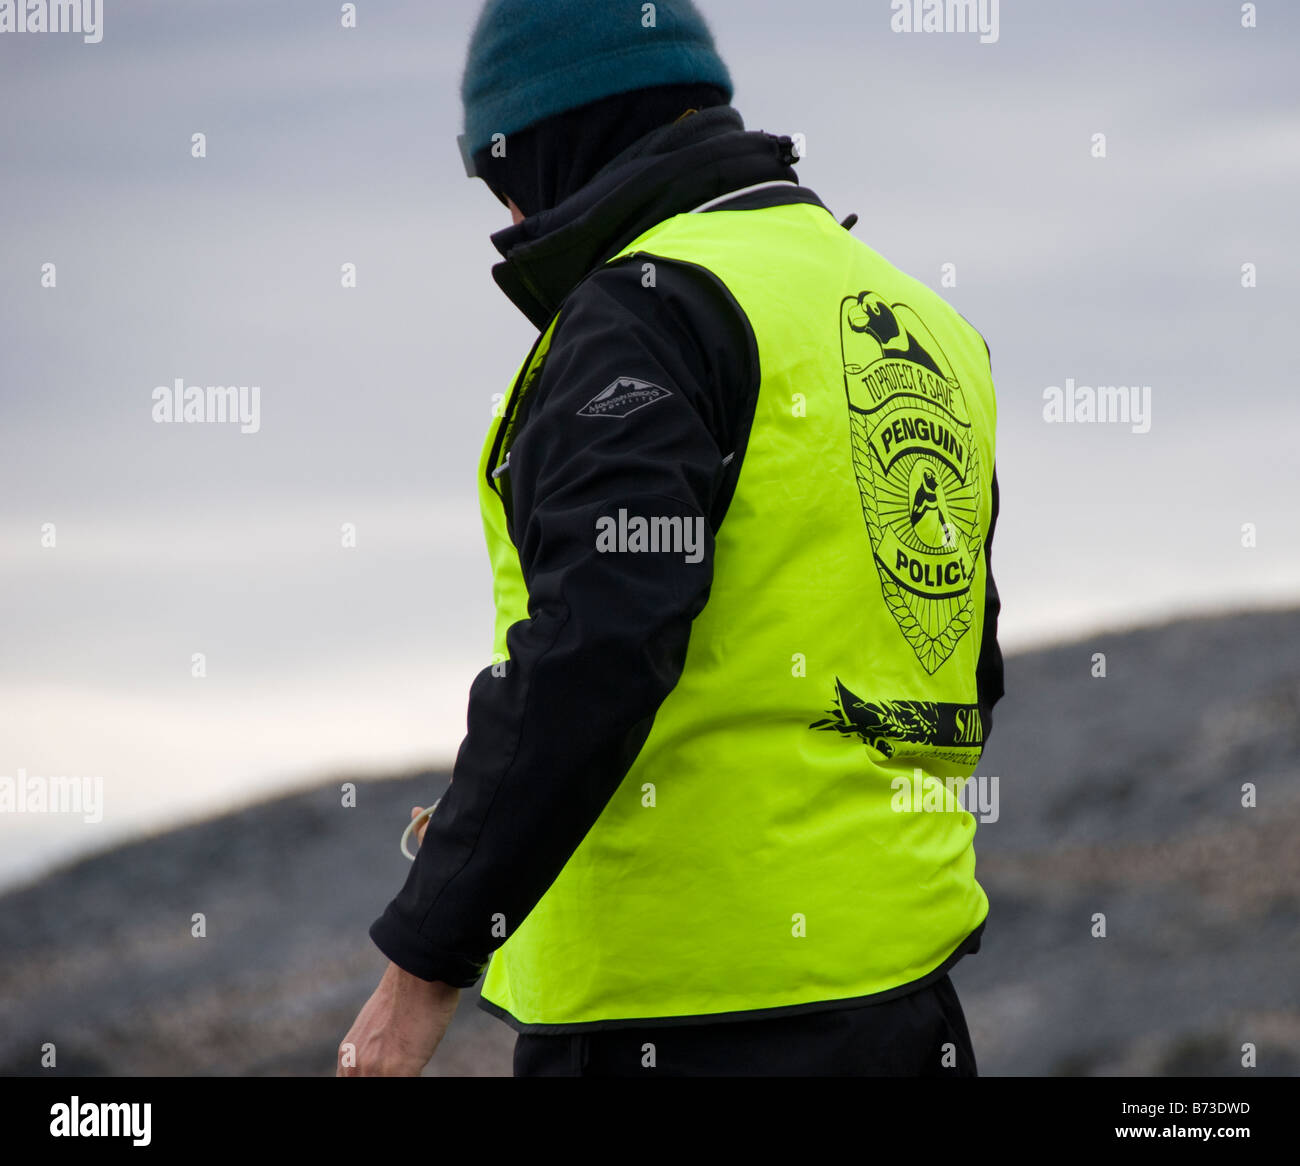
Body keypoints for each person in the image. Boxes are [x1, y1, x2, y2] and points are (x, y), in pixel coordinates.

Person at [339, 0, 1004, 1078]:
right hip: (905, 1001)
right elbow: (959, 652)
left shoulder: (643, 312)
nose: (505, 213)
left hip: (683, 1011)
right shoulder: (919, 321)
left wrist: (419, 972)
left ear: (551, 140)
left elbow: (594, 648)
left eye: (495, 175)